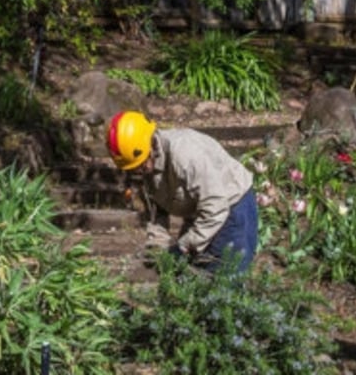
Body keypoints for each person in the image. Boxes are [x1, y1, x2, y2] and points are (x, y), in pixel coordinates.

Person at [106, 109, 259, 275]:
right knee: (185, 280)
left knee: (223, 281)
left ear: (151, 144)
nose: (138, 171)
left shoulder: (185, 155)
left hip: (232, 206)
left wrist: (183, 246)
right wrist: (157, 247)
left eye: (141, 164)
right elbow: (156, 211)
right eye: (133, 168)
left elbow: (216, 206)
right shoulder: (145, 169)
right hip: (201, 211)